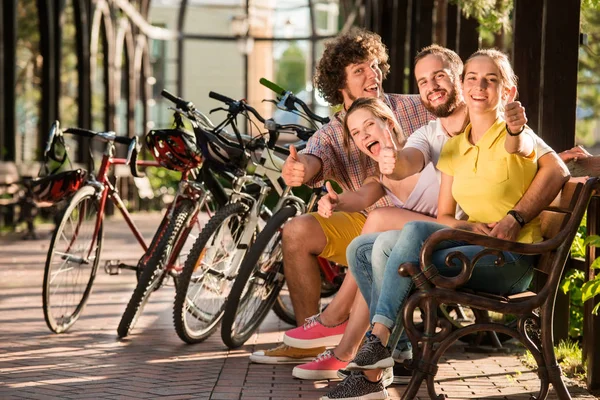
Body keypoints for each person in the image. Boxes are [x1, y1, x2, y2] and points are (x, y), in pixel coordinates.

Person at [333, 48, 568, 400]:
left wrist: (514, 217)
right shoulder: (454, 148)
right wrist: (469, 228)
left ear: (508, 92)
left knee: (407, 236)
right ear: (463, 84)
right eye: (472, 78)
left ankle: (376, 353)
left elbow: (522, 148)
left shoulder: (516, 133)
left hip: (511, 259)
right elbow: (444, 214)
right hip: (472, 250)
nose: (479, 86)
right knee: (364, 247)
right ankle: (387, 356)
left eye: (491, 80)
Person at [249, 27, 434, 365]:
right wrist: (300, 169)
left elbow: (460, 116)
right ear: (339, 84)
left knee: (381, 235)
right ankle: (314, 336)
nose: (372, 74)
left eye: (374, 65)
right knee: (296, 230)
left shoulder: (415, 108)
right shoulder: (332, 133)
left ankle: (362, 335)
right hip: (368, 222)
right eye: (359, 70)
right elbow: (314, 157)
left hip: (422, 222)